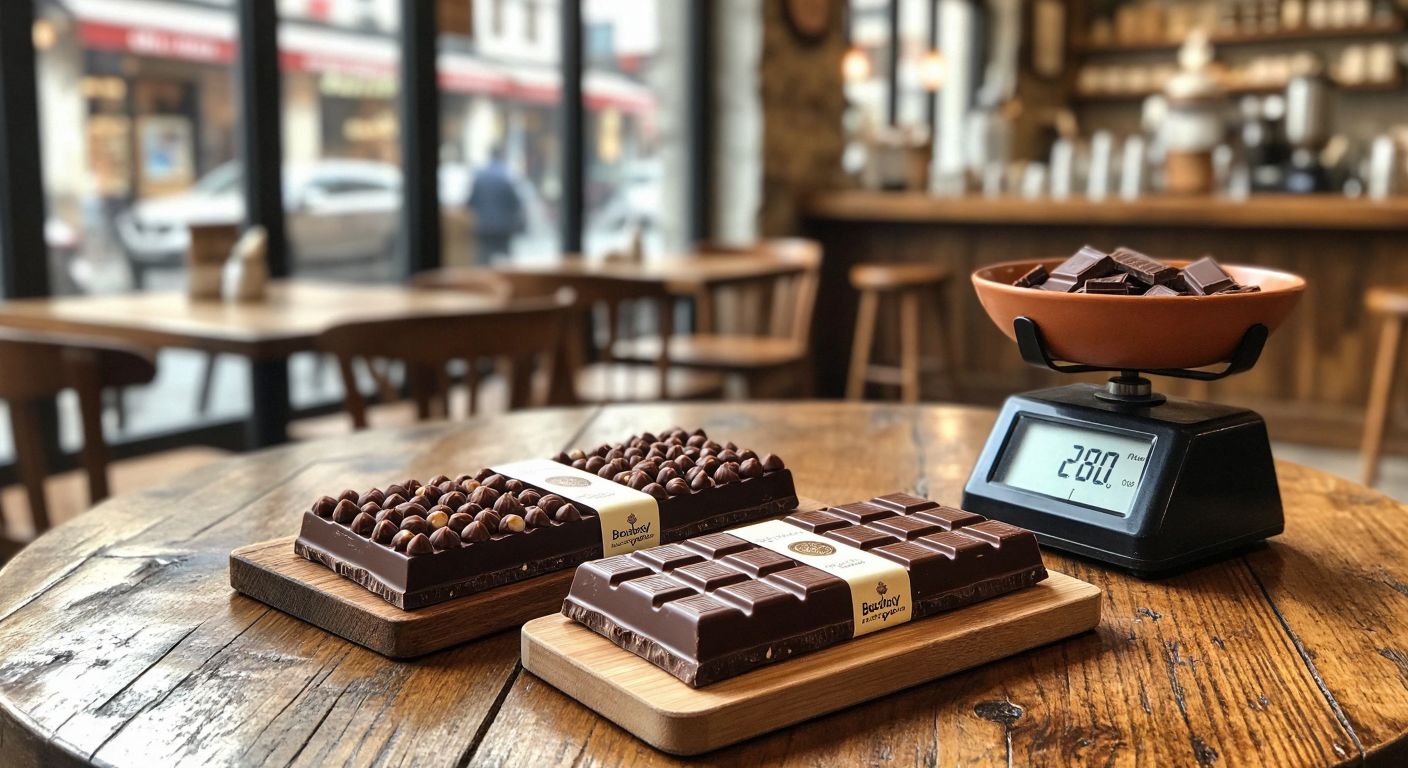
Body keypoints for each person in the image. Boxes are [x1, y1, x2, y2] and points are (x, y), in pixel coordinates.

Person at [467, 146, 525, 263]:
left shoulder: (479, 176)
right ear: (501, 155)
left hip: (484, 225)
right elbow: (516, 202)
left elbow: (471, 202)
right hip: (503, 226)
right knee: (506, 260)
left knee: (484, 258)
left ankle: (483, 281)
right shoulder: (506, 176)